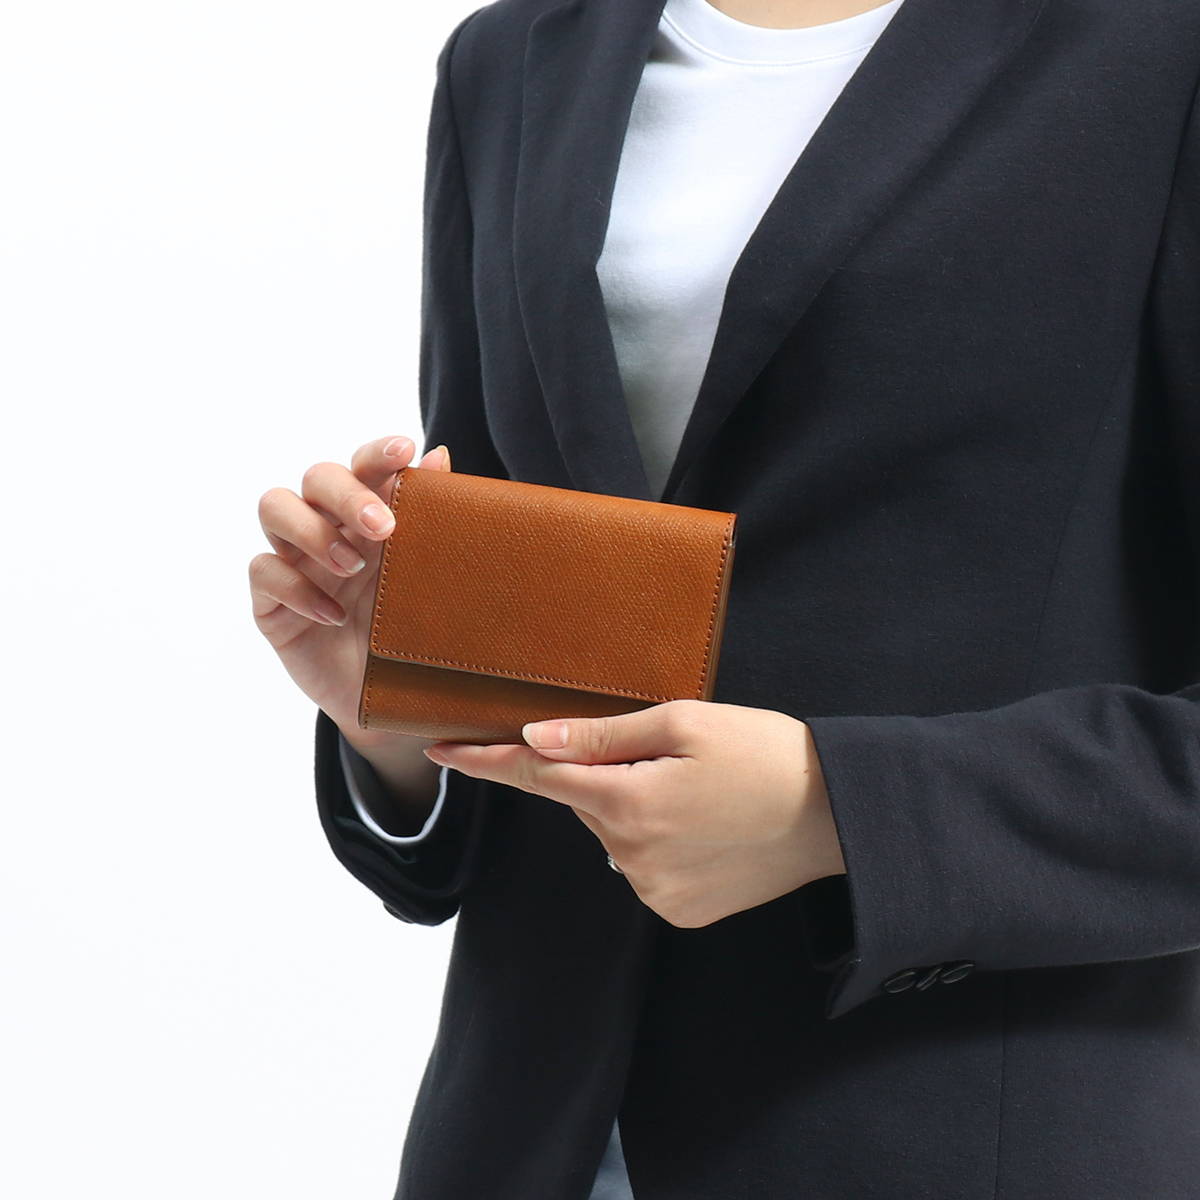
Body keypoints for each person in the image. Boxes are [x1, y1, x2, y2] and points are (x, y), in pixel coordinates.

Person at [249, 0, 1200, 1196]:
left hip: (954, 1132)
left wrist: (837, 811)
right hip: (526, 1136)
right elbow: (536, 629)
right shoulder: (513, 57)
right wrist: (401, 703)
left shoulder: (1159, 47)